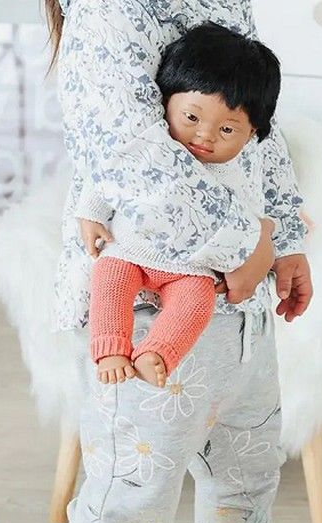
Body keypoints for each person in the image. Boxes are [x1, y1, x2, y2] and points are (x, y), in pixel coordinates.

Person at [41, 0, 312, 523]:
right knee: (124, 506)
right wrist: (250, 247)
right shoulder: (110, 13)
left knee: (250, 468)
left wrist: (285, 240)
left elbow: (261, 131)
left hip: (241, 315)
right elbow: (134, 160)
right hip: (151, 314)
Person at [80, 23, 283, 388]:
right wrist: (92, 211)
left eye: (227, 130)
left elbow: (253, 217)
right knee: (108, 279)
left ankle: (157, 353)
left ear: (252, 133)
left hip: (189, 271)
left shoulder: (237, 173)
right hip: (129, 252)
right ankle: (110, 347)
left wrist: (265, 232)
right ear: (165, 103)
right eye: (192, 117)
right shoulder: (153, 148)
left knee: (197, 302)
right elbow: (114, 176)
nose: (205, 135)